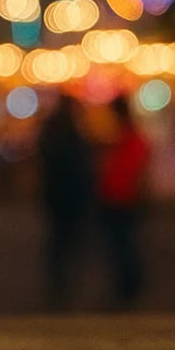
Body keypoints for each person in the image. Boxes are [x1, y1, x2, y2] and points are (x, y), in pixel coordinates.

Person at [36, 95, 93, 308]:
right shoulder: (70, 133)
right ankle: (63, 282)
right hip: (68, 194)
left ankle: (59, 282)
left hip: (57, 194)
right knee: (66, 241)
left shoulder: (52, 130)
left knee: (58, 241)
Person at [98, 96, 151, 308]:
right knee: (122, 244)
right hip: (118, 196)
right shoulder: (125, 135)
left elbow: (132, 166)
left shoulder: (128, 135)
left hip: (122, 197)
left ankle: (129, 286)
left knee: (123, 244)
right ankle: (127, 285)